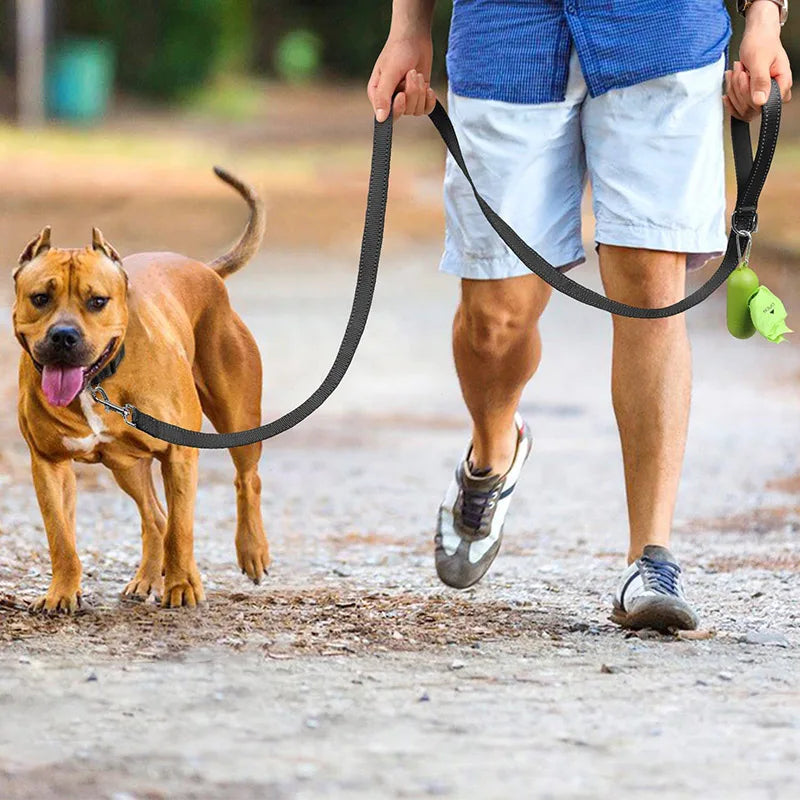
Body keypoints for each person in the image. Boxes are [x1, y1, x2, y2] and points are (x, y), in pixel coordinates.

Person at [367, 0, 792, 631]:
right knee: (494, 320)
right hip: (507, 30)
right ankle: (494, 448)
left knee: (651, 288)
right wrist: (408, 26)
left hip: (665, 28)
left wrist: (763, 18)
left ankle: (651, 558)